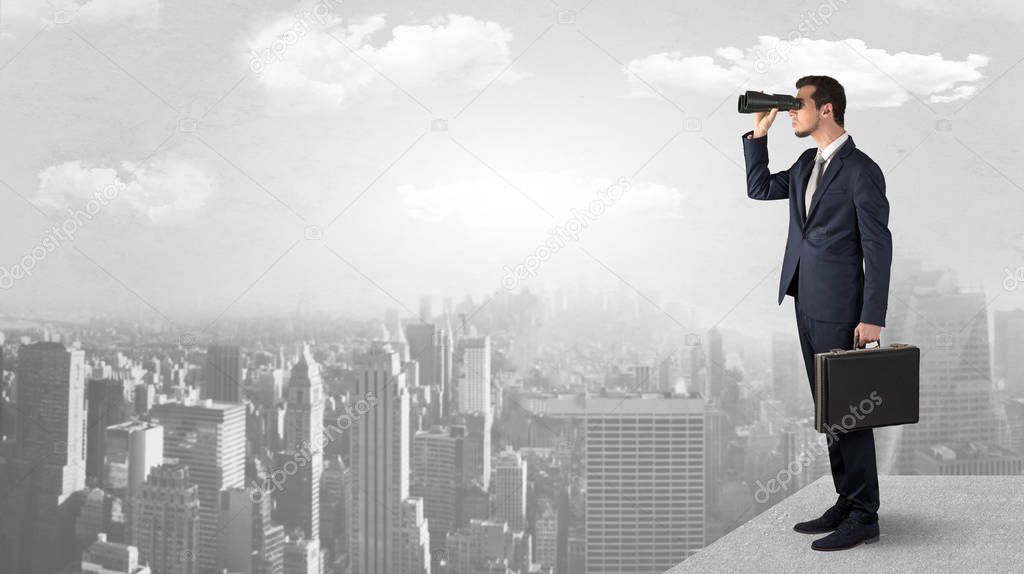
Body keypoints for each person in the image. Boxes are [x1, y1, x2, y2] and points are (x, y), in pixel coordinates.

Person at [740, 75, 893, 551]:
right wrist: (758, 136)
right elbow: (760, 188)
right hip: (806, 302)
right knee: (830, 412)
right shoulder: (807, 163)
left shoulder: (861, 170)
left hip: (844, 311)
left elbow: (878, 246)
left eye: (798, 104)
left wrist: (872, 316)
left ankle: (865, 515)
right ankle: (846, 500)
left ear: (826, 110)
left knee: (849, 412)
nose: (791, 112)